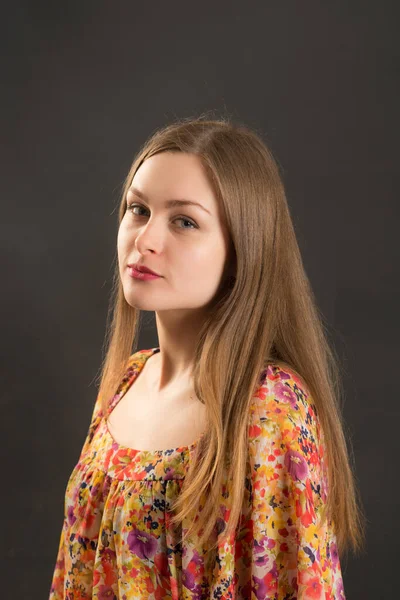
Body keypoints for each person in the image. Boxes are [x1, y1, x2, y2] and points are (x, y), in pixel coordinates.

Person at [49, 115, 366, 599]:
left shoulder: (267, 409)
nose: (146, 240)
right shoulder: (126, 381)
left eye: (184, 221)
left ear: (242, 250)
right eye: (138, 210)